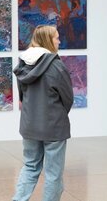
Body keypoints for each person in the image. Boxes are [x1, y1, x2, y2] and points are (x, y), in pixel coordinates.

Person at [12, 25, 73, 201]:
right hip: (54, 126)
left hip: (30, 124)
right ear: (48, 40)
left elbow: (22, 95)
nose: (59, 41)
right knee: (53, 174)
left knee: (30, 167)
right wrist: (59, 115)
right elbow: (67, 97)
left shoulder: (22, 65)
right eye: (56, 38)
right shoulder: (57, 66)